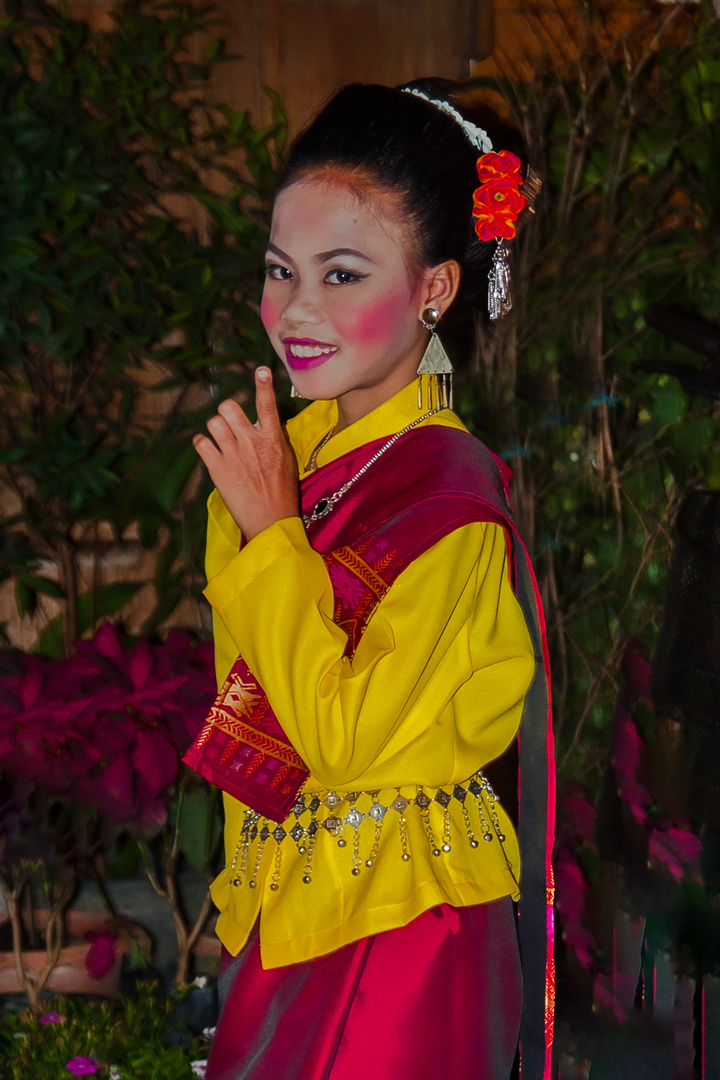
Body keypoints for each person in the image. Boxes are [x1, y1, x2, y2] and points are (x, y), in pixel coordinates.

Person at [184, 79, 554, 1080]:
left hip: (404, 934)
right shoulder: (284, 460)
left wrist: (271, 544)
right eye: (279, 270)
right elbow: (254, 704)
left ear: (434, 288)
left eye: (342, 274)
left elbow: (340, 744)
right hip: (293, 915)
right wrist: (242, 897)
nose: (295, 311)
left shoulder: (450, 502)